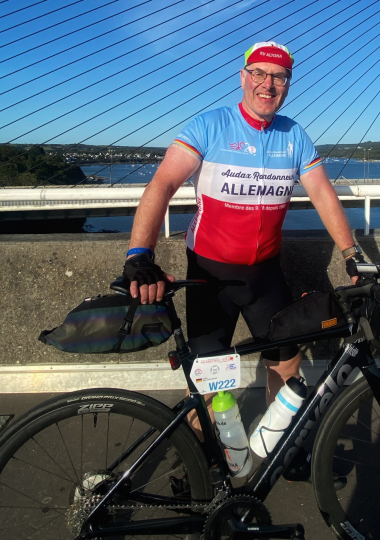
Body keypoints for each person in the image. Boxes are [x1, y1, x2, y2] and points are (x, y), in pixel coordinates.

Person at [123, 41, 365, 435]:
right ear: (243, 77)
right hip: (210, 275)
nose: (268, 84)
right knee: (209, 379)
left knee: (286, 364)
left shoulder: (294, 134)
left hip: (265, 275)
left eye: (279, 77)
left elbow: (323, 194)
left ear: (288, 84)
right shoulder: (209, 125)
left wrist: (352, 254)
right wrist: (139, 255)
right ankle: (202, 456)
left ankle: (277, 447)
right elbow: (163, 184)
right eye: (259, 74)